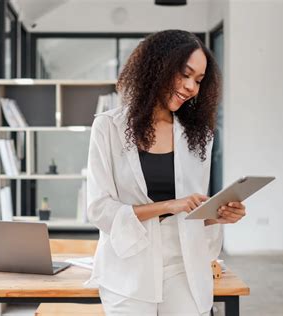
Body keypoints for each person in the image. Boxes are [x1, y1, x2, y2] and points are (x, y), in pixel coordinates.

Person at [86, 30, 246, 316]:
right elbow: (99, 209)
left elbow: (193, 213)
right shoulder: (108, 128)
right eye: (184, 74)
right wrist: (168, 205)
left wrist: (216, 215)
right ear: (158, 67)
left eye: (198, 80)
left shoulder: (198, 136)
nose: (191, 87)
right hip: (128, 269)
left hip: (183, 266)